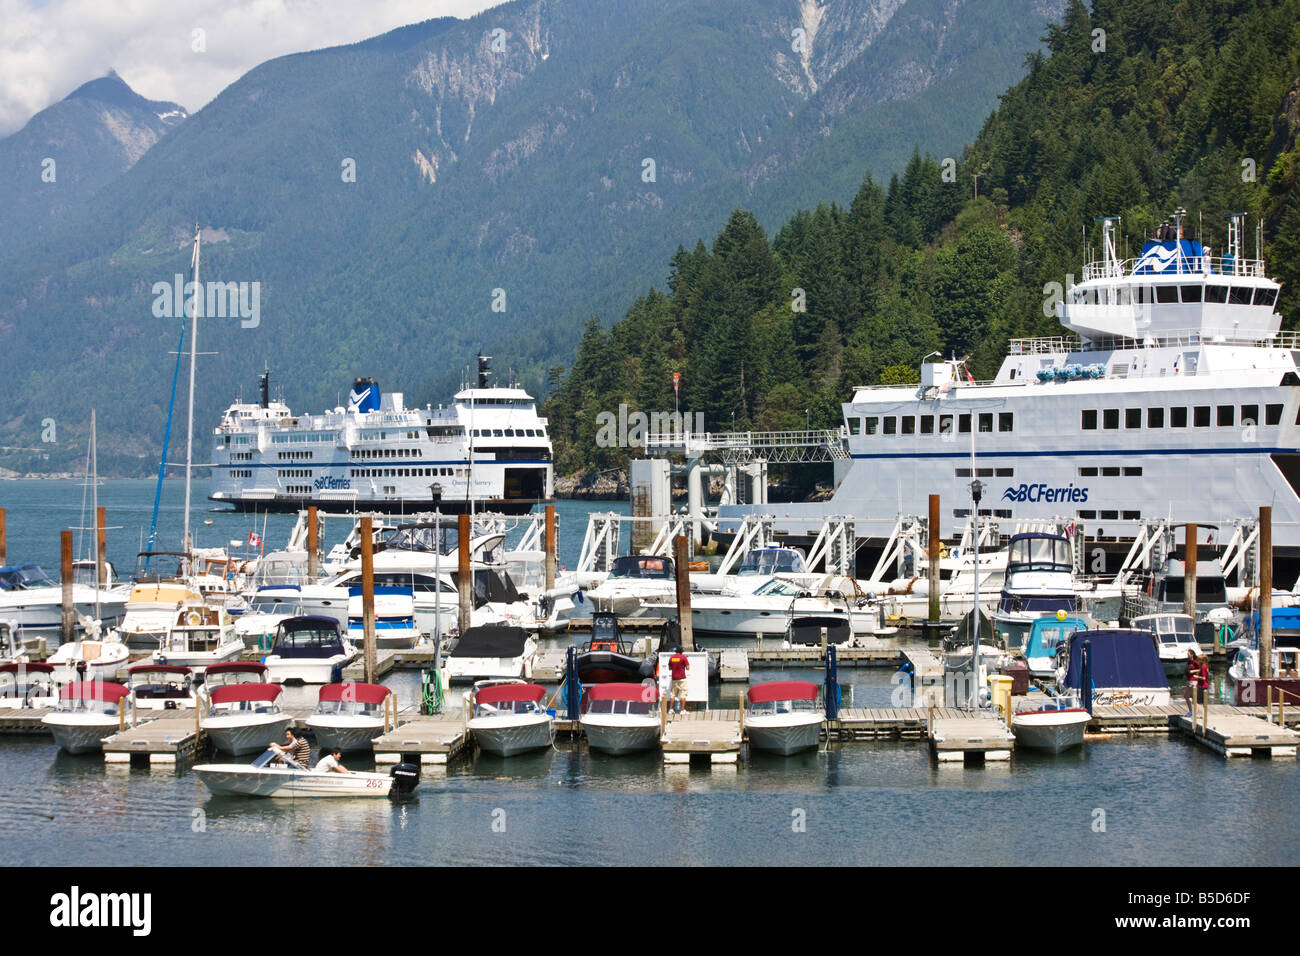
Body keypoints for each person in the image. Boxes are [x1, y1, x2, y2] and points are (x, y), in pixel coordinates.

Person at [667, 645, 690, 716]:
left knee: (673, 694)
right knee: (683, 694)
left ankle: (670, 709)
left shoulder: (672, 657)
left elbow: (669, 668)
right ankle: (682, 710)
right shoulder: (683, 657)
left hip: (674, 678)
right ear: (681, 651)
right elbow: (688, 667)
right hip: (682, 678)